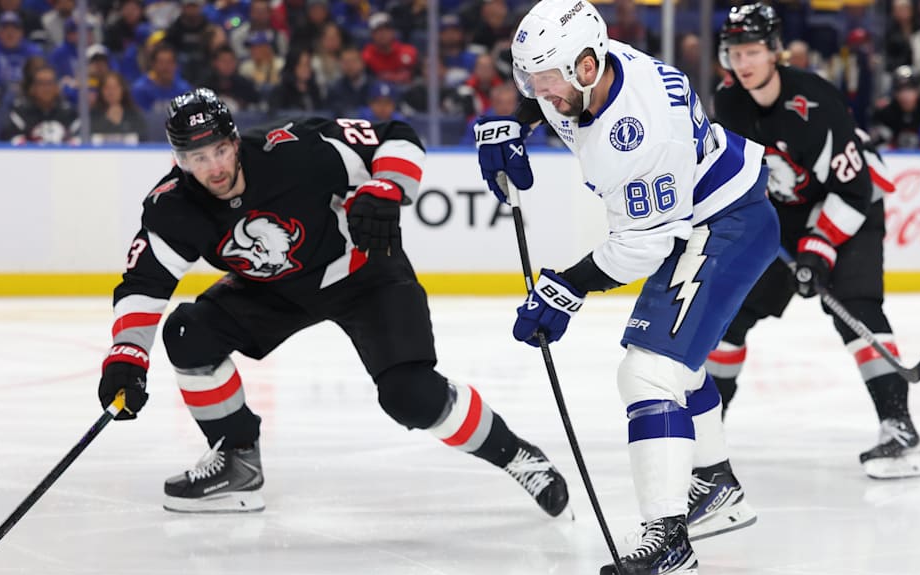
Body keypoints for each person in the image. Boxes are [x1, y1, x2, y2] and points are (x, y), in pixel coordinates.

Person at [95, 88, 570, 522]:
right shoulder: (174, 205)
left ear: (235, 141)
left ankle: (517, 456)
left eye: (220, 150)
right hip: (271, 292)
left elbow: (396, 136)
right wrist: (126, 357)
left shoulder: (294, 150)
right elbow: (144, 284)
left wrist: (387, 187)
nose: (215, 168)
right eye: (198, 157)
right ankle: (237, 462)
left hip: (362, 273)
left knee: (412, 396)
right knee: (188, 332)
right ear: (179, 159)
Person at [474, 1, 777, 575]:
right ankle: (713, 484)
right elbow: (544, 96)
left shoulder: (636, 133)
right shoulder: (586, 77)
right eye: (530, 82)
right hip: (701, 217)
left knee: (648, 373)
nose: (541, 93)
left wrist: (564, 289)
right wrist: (515, 123)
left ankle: (669, 552)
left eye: (550, 82)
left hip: (724, 223)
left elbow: (639, 248)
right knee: (677, 363)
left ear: (588, 65)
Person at [711, 3, 920, 481]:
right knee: (729, 312)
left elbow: (852, 190)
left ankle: (899, 427)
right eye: (734, 52)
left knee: (855, 306)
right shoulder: (729, 102)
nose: (743, 62)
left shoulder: (816, 100)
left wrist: (819, 249)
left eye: (751, 51)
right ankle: (704, 434)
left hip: (850, 205)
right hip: (783, 215)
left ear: (774, 51)